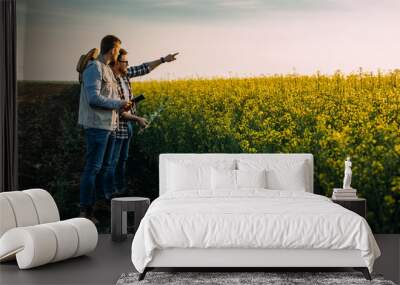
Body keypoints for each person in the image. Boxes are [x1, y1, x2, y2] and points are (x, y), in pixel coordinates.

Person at [100, 48, 178, 200]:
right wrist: (138, 119)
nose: (128, 64)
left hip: (126, 126)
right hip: (116, 127)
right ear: (116, 63)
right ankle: (109, 195)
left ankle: (120, 191)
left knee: (122, 160)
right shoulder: (110, 82)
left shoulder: (125, 74)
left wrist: (163, 59)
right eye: (125, 61)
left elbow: (144, 68)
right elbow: (119, 111)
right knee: (111, 163)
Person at [78, 35, 131, 222]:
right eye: (118, 49)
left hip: (109, 125)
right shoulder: (94, 68)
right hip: (97, 125)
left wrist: (121, 105)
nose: (119, 52)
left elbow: (109, 98)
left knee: (103, 168)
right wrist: (119, 103)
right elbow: (93, 98)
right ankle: (86, 210)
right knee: (93, 168)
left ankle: (99, 204)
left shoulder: (107, 69)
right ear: (113, 49)